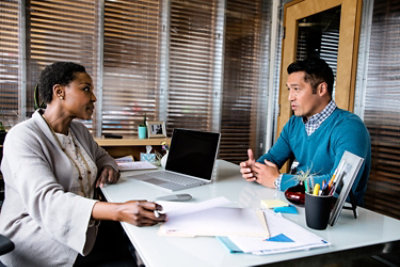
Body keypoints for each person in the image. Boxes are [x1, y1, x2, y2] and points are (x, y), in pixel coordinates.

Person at [0, 62, 167, 266]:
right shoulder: (23, 137)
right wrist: (118, 210)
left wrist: (108, 167)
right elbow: (48, 200)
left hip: (84, 225)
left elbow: (102, 156)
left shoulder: (78, 131)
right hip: (37, 235)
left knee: (138, 241)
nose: (94, 98)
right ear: (59, 91)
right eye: (86, 89)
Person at [240, 57, 371, 206]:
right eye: (289, 89)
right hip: (296, 205)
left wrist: (279, 181)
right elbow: (272, 159)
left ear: (321, 89)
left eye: (296, 89)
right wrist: (255, 169)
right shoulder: (294, 124)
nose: (290, 97)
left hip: (335, 218)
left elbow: (340, 184)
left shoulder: (350, 127)